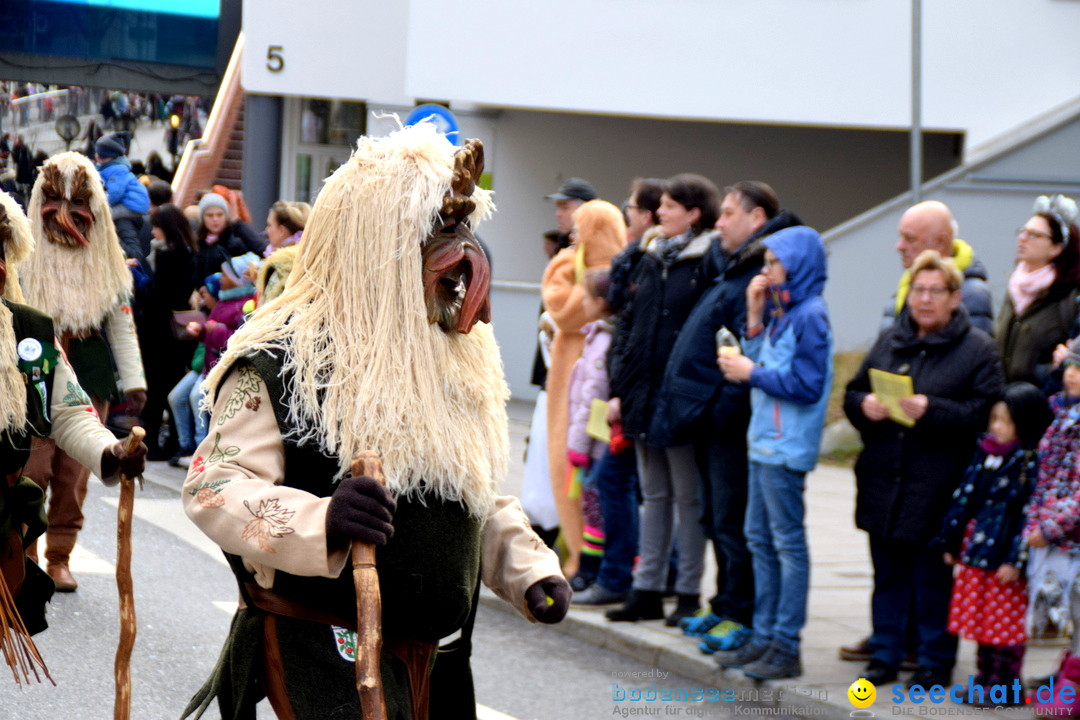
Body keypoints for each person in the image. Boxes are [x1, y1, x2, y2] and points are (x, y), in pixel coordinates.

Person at [180, 125, 569, 719]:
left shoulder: (453, 355)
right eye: (435, 233)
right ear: (373, 245)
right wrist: (322, 519)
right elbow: (212, 488)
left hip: (435, 661)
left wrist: (527, 568)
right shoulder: (285, 356)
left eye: (463, 229)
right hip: (326, 649)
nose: (462, 253)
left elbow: (463, 499)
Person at [653, 181, 803, 653]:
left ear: (757, 219)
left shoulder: (762, 276)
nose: (719, 223)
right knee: (717, 518)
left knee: (735, 523)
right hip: (709, 419)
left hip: (730, 425)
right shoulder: (733, 267)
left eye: (730, 214)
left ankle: (741, 610)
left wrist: (717, 412)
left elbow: (753, 354)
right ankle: (724, 604)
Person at [844, 249, 1004, 687]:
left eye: (936, 290)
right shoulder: (890, 339)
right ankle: (885, 655)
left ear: (956, 298)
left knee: (932, 581)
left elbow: (987, 414)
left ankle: (935, 661)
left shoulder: (977, 350)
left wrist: (932, 410)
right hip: (884, 479)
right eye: (918, 289)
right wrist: (866, 405)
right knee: (888, 577)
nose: (925, 299)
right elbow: (853, 392)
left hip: (938, 485)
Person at [0, 189, 146, 648]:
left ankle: (58, 552)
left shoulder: (27, 329)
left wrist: (111, 450)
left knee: (66, 479)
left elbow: (67, 408)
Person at [713, 225, 832, 680]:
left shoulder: (811, 315)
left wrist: (750, 371)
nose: (765, 272)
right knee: (760, 541)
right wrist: (754, 313)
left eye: (773, 263)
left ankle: (786, 644)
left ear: (797, 265)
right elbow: (764, 357)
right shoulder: (786, 310)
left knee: (785, 544)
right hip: (763, 443)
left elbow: (807, 385)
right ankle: (763, 636)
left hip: (785, 449)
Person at [605, 174, 720, 625]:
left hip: (682, 399)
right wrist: (620, 383)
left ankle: (688, 592)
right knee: (653, 495)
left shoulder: (707, 259)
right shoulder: (651, 257)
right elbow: (628, 324)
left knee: (688, 498)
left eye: (671, 206)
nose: (661, 213)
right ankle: (647, 589)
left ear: (694, 213)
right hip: (642, 393)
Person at [932, 382, 1052, 702]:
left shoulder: (1029, 463)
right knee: (985, 621)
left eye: (1006, 421)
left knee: (1006, 625)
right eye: (994, 419)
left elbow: (1029, 516)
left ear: (1025, 423)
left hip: (1003, 558)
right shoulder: (984, 453)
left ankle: (1006, 686)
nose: (996, 427)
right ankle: (985, 681)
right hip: (977, 551)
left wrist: (1016, 559)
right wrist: (951, 542)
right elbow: (963, 500)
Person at [541, 199, 625, 582]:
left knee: (579, 472)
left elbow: (563, 308)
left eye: (580, 230)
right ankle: (581, 554)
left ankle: (589, 560)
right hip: (570, 379)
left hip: (587, 386)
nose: (572, 238)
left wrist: (572, 269)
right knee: (571, 470)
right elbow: (560, 307)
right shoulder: (602, 270)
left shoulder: (608, 278)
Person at [565, 269, 624, 603]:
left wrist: (578, 447)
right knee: (594, 505)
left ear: (601, 303)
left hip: (595, 444)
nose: (582, 302)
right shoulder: (598, 336)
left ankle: (591, 569)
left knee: (594, 506)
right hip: (594, 441)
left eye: (586, 296)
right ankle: (591, 567)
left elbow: (592, 400)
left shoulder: (601, 343)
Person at [997, 194, 1080, 387]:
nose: (1022, 238)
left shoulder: (1070, 298)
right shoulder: (1015, 289)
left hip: (1042, 405)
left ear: (1056, 249)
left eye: (1034, 235)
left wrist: (1048, 371)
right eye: (1023, 231)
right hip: (1004, 404)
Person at [884, 200, 994, 335]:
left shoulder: (971, 295)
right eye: (901, 237)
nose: (899, 247)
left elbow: (973, 353)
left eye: (910, 239)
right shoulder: (906, 285)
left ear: (941, 242)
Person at [95, 131, 150, 261]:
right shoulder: (106, 167)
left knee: (104, 215)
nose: (99, 158)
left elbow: (115, 193)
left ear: (113, 157)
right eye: (98, 154)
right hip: (128, 203)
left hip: (132, 206)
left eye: (103, 156)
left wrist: (99, 204)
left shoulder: (117, 170)